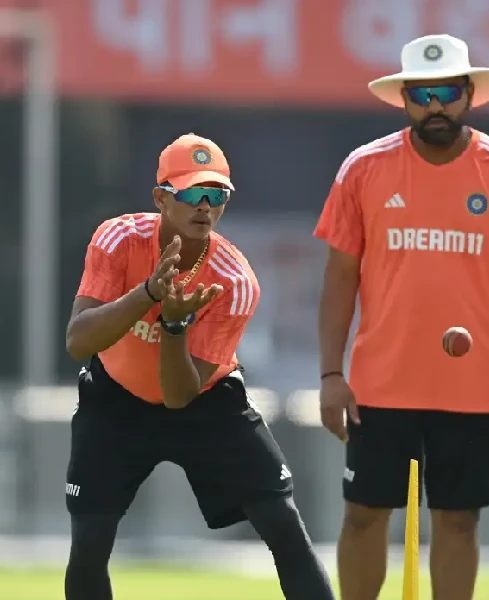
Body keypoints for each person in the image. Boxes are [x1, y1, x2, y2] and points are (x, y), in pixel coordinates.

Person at [314, 34, 489, 600]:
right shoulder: (364, 169)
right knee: (362, 516)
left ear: (469, 94)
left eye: (447, 91)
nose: (435, 105)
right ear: (404, 98)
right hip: (379, 386)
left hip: (474, 389)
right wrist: (332, 375)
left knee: (458, 521)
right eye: (422, 93)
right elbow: (338, 280)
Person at [63, 133, 335, 600]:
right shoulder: (117, 239)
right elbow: (77, 341)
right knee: (89, 543)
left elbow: (179, 397)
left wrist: (173, 325)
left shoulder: (234, 281)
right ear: (161, 198)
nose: (204, 206)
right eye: (191, 193)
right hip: (115, 400)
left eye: (216, 195)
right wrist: (148, 293)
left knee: (282, 524)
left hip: (207, 404)